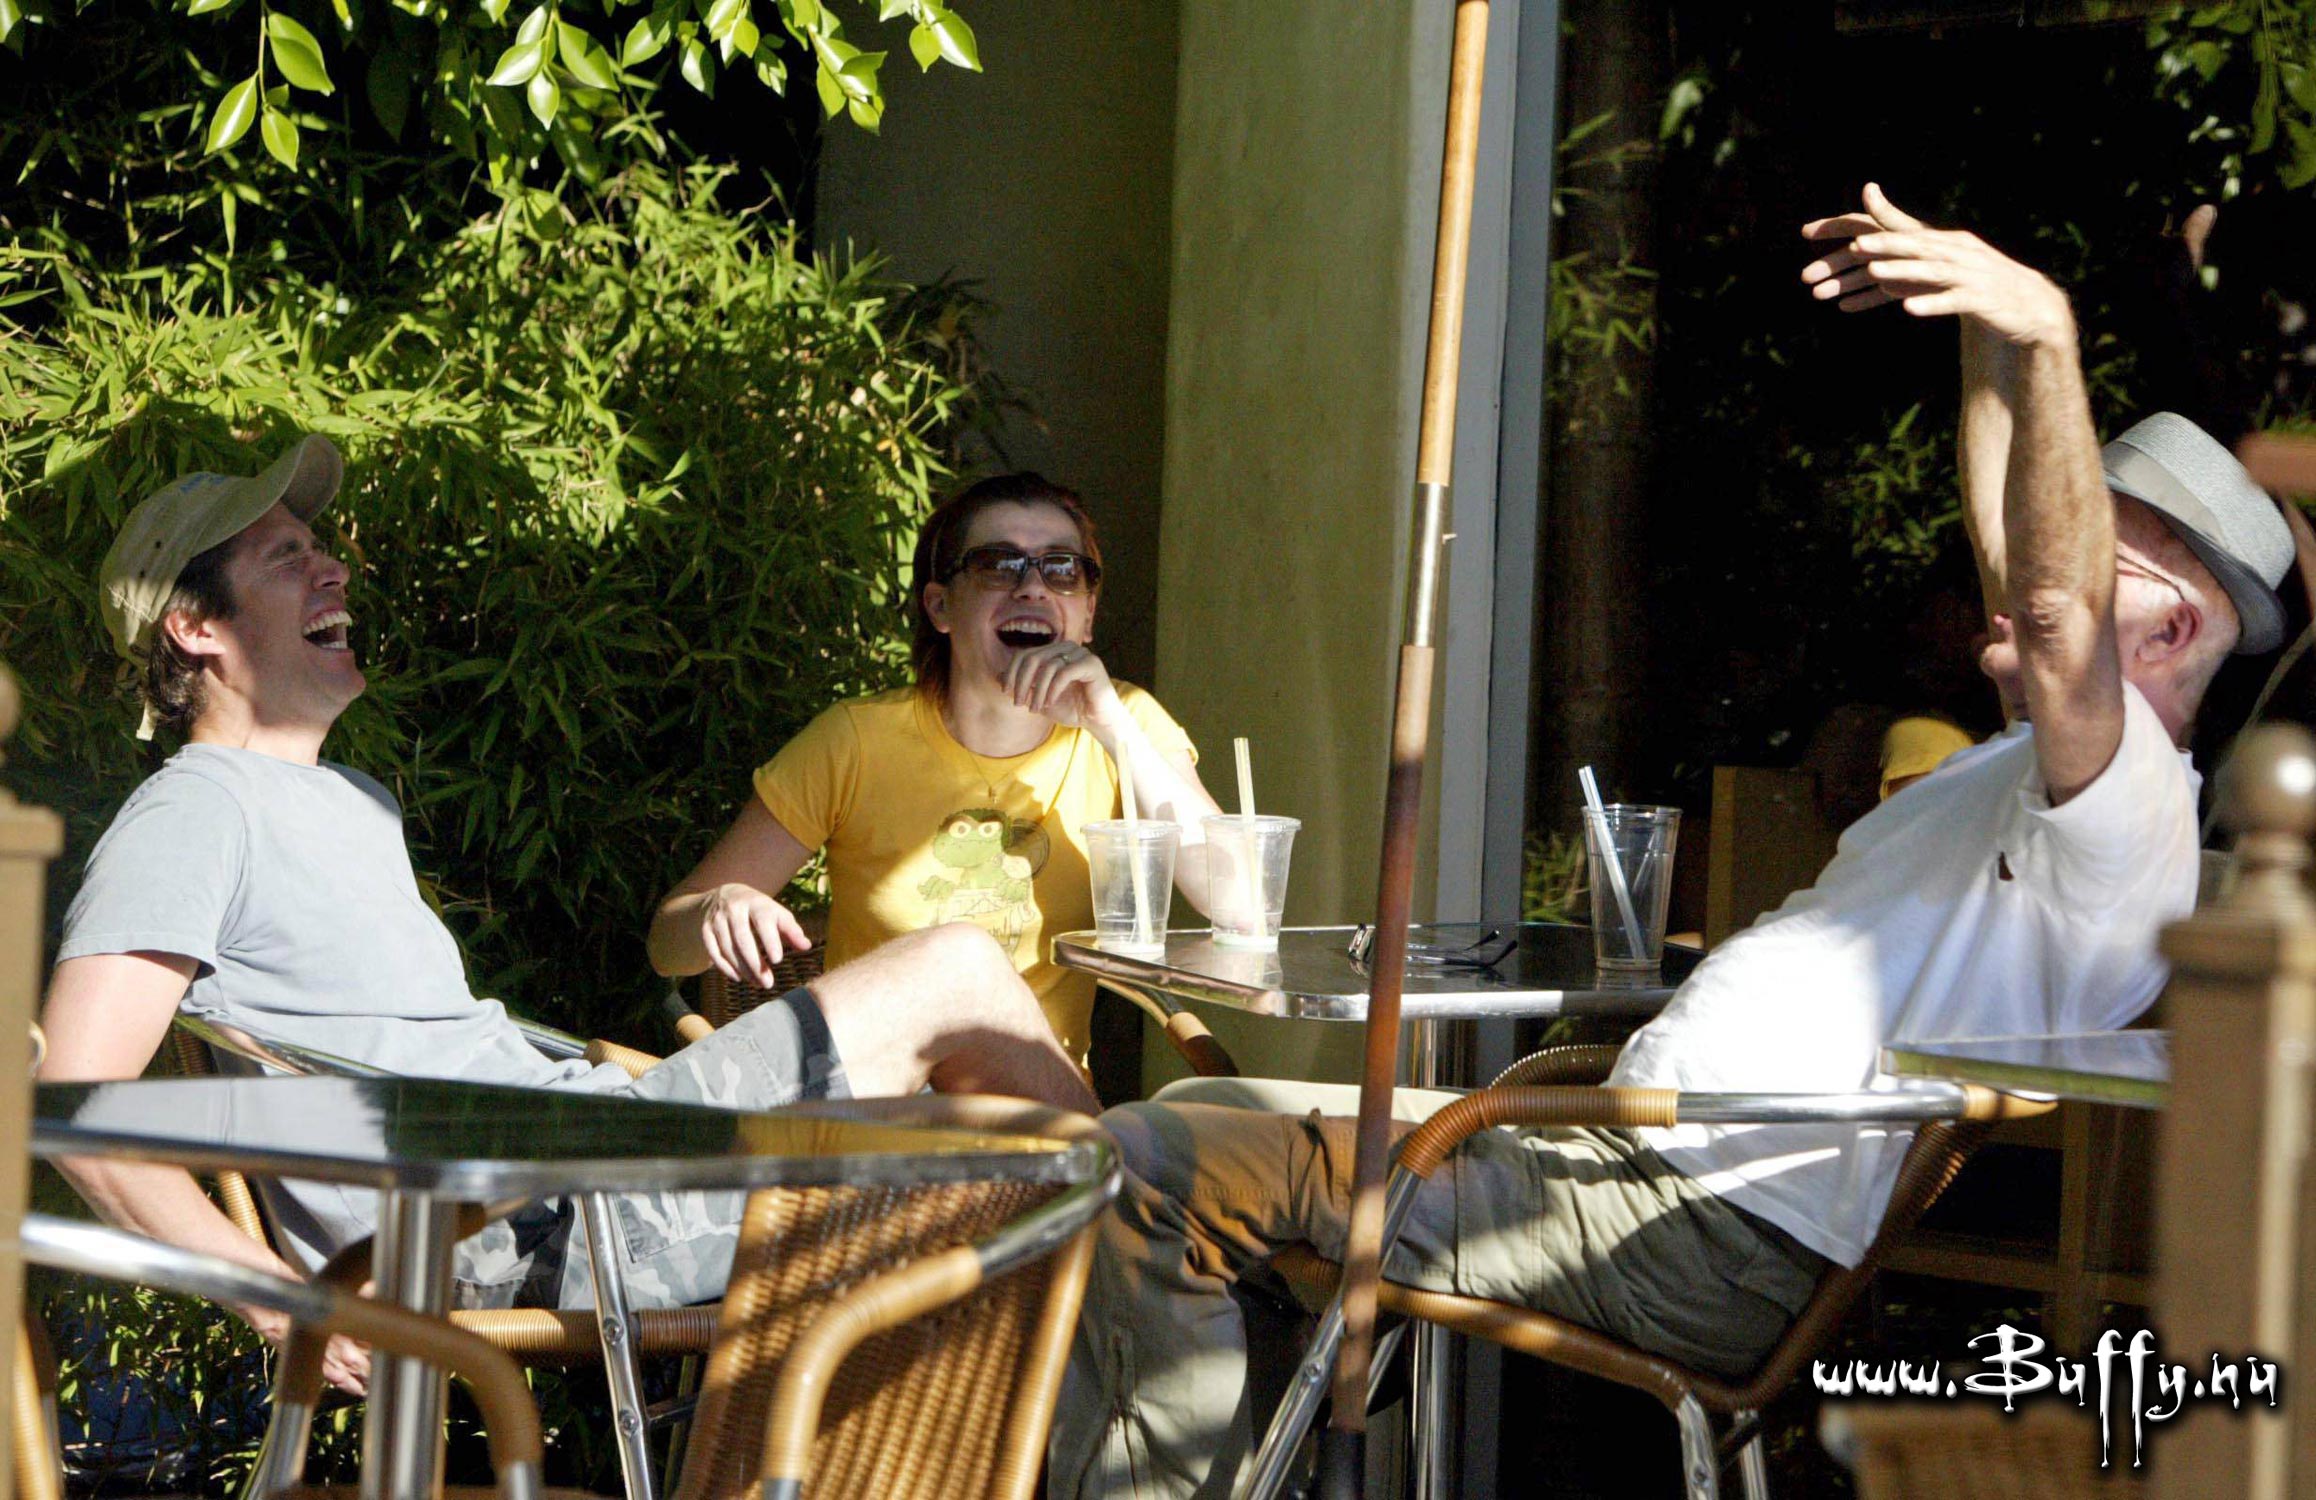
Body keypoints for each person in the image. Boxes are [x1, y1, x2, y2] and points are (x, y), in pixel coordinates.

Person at [1047, 183, 2299, 1499]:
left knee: (1152, 1166)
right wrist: (1986, 328)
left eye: (2088, 552)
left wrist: (2044, 328)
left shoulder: (2131, 803)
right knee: (1194, 1127)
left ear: (2166, 631)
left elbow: (2049, 607)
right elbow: (2017, 559)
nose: (2023, 566)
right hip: (1622, 1168)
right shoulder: (2031, 767)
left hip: (1694, 1225)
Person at [38, 437, 1099, 1397]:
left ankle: (1122, 1314)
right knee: (960, 976)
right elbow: (76, 1098)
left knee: (1003, 1156)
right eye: (286, 558)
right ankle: (1149, 1228)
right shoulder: (195, 809)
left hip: (587, 1154)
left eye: (320, 549)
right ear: (196, 627)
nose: (335, 570)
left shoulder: (346, 799)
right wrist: (277, 1297)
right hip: (534, 1214)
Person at [648, 473, 1225, 1067]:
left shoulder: (1126, 723)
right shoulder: (856, 742)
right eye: (997, 565)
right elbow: (667, 946)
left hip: (1036, 1107)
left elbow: (1233, 899)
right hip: (879, 1095)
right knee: (963, 956)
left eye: (1061, 569)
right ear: (941, 606)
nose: (1032, 587)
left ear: (1087, 614)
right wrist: (718, 906)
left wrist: (1111, 727)